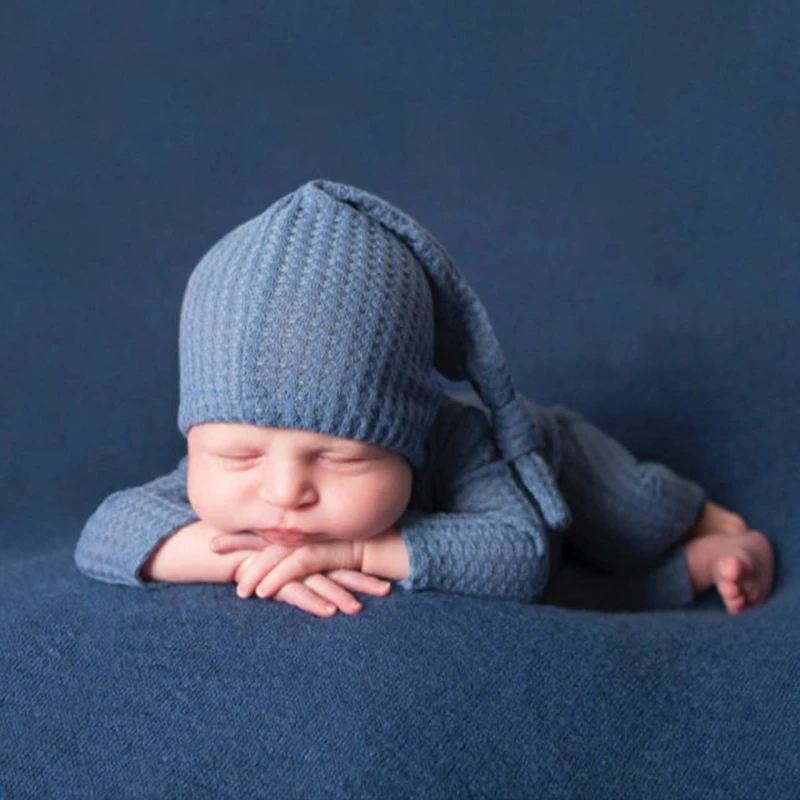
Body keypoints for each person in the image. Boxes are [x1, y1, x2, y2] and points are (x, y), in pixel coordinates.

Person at [74, 180, 774, 617]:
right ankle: (706, 569)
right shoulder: (225, 478)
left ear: (407, 427)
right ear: (199, 439)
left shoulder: (463, 442)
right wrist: (222, 553)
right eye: (238, 454)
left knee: (632, 522)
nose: (284, 491)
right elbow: (101, 533)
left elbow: (520, 556)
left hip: (555, 458)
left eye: (339, 456)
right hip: (553, 583)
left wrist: (354, 550)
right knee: (582, 602)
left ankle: (712, 521)